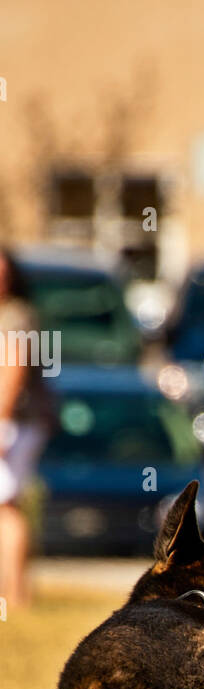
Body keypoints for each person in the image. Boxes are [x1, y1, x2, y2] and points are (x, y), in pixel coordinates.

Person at [0, 248, 52, 608]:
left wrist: (1, 422)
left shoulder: (16, 316)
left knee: (6, 507)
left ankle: (15, 595)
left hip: (15, 422)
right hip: (13, 421)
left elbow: (12, 373)